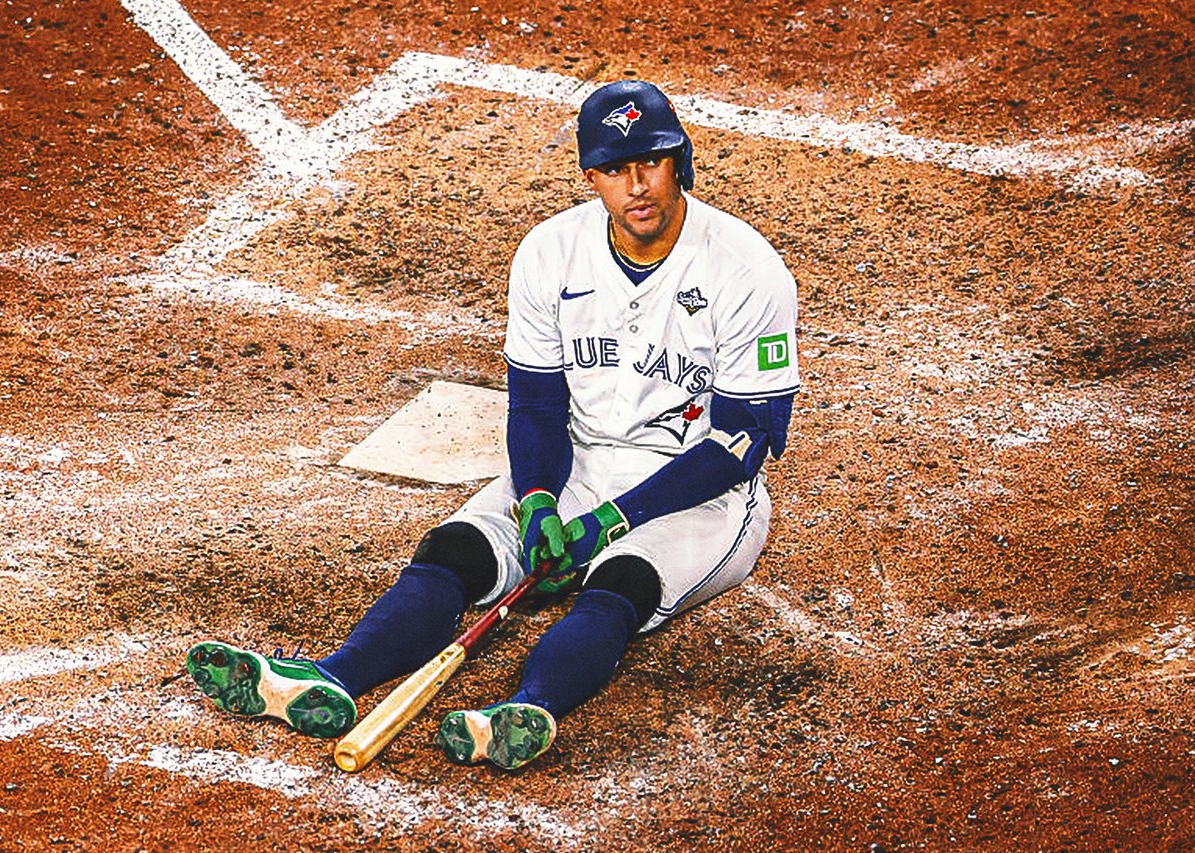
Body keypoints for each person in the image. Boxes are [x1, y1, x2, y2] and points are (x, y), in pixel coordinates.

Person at [186, 80, 800, 770]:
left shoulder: (746, 271)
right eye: (617, 169)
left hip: (695, 491)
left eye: (652, 162)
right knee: (455, 549)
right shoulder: (550, 253)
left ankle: (522, 709)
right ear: (591, 176)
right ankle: (336, 675)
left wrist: (611, 522)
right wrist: (539, 498)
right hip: (579, 459)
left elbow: (740, 444)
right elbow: (536, 406)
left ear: (679, 163)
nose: (638, 186)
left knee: (617, 584)